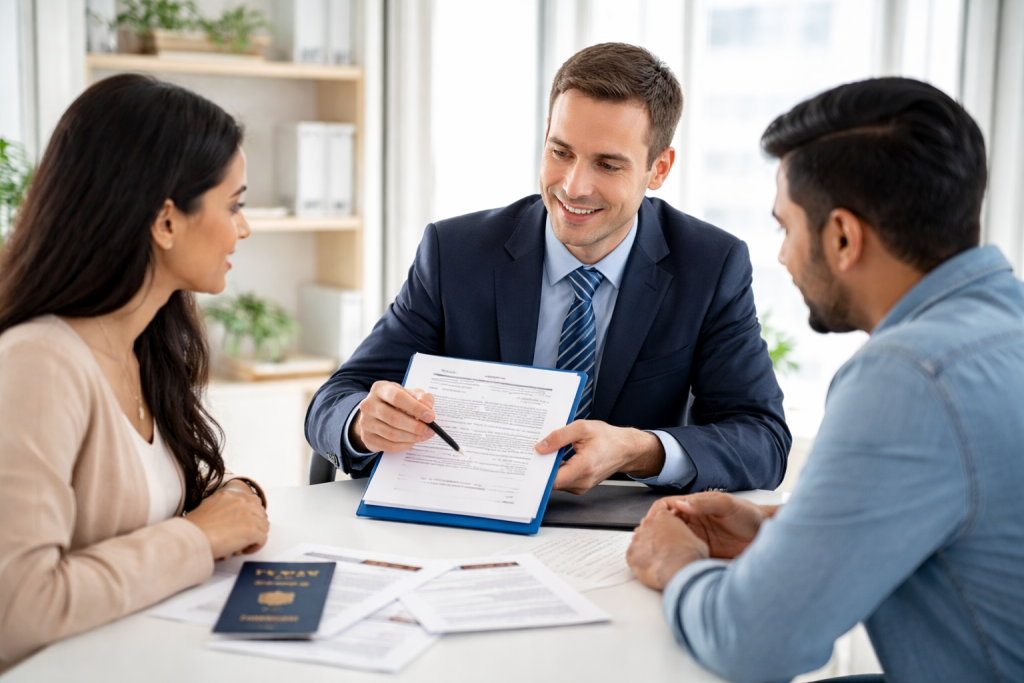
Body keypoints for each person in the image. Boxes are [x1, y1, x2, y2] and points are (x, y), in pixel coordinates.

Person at [626, 77, 1024, 683]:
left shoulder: (907, 377)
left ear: (842, 237)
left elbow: (754, 645)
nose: (783, 256)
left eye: (786, 227)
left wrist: (677, 565)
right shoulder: (1004, 327)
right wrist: (776, 529)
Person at [306, 43, 791, 495]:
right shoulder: (456, 253)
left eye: (607, 164)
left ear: (658, 169)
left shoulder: (709, 266)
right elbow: (335, 400)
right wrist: (362, 423)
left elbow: (763, 438)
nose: (574, 187)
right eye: (561, 152)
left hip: (615, 537)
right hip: (465, 520)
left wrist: (642, 450)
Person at [0, 74, 270, 669]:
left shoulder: (144, 347)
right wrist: (198, 537)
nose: (243, 228)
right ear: (166, 221)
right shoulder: (39, 363)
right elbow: (16, 611)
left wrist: (222, 507)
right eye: (234, 204)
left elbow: (129, 520)